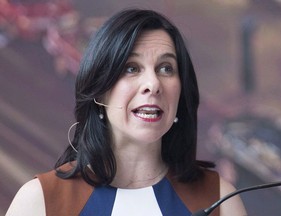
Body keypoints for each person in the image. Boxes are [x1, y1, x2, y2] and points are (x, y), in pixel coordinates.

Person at [6, 9, 246, 216]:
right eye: (131, 68)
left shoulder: (220, 200)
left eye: (166, 68)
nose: (153, 83)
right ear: (99, 91)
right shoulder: (39, 201)